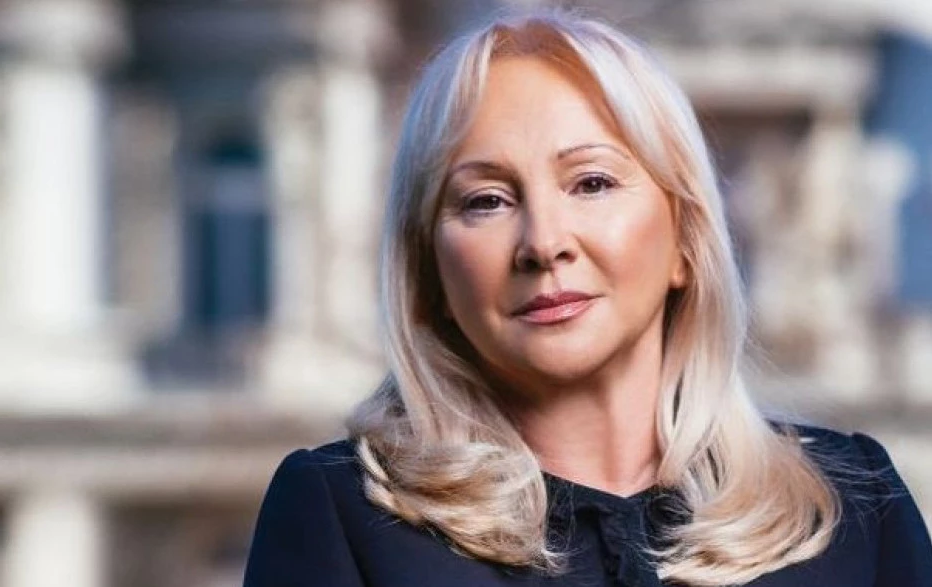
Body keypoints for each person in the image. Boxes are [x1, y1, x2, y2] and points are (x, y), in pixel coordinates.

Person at [242, 10, 932, 587]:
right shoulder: (342, 516)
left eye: (592, 183)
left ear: (687, 240)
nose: (544, 243)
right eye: (486, 200)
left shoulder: (853, 510)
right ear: (429, 271)